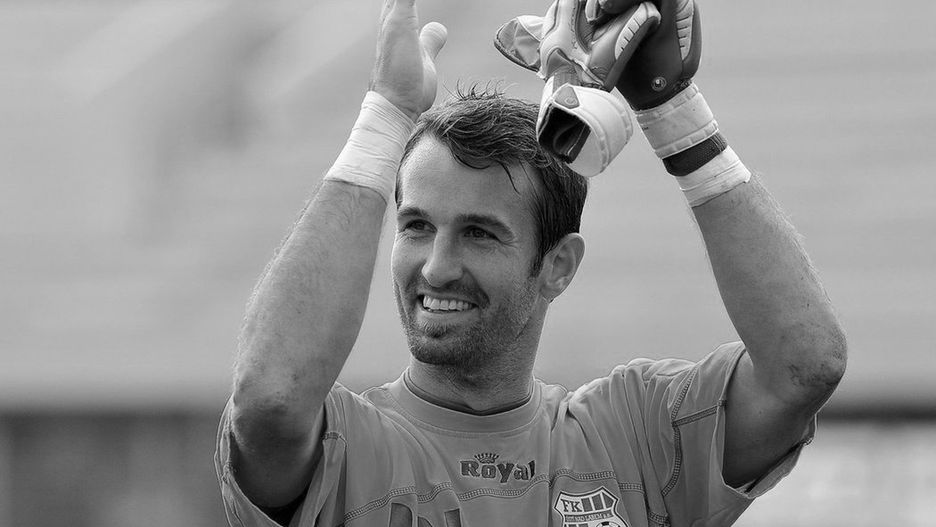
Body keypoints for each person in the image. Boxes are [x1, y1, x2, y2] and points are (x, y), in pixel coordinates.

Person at [215, 0, 847, 525]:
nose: (435, 267)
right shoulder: (345, 445)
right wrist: (385, 117)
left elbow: (805, 367)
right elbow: (270, 397)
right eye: (416, 227)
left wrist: (674, 113)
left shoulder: (634, 434)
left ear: (558, 265)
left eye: (479, 234)